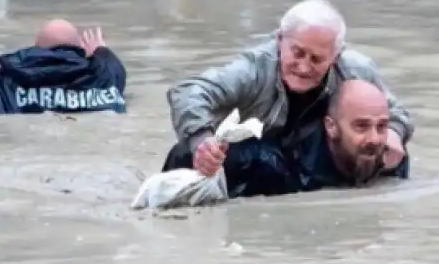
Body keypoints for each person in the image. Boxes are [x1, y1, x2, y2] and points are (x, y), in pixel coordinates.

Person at [168, 0, 413, 177]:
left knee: (389, 156)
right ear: (279, 41)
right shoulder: (253, 70)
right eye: (297, 53)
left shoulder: (356, 69)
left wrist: (393, 134)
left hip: (303, 159)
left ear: (335, 57)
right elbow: (188, 92)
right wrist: (202, 142)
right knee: (264, 162)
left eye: (317, 59)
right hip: (248, 157)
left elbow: (397, 114)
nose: (304, 67)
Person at [162, 79, 410, 198]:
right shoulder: (268, 165)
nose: (375, 138)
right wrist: (205, 151)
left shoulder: (390, 157)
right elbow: (179, 159)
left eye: (382, 126)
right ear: (331, 127)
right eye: (361, 126)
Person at [0, 20, 127, 114]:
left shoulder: (6, 82)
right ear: (80, 50)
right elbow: (116, 72)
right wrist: (102, 53)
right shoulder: (102, 79)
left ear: (36, 50)